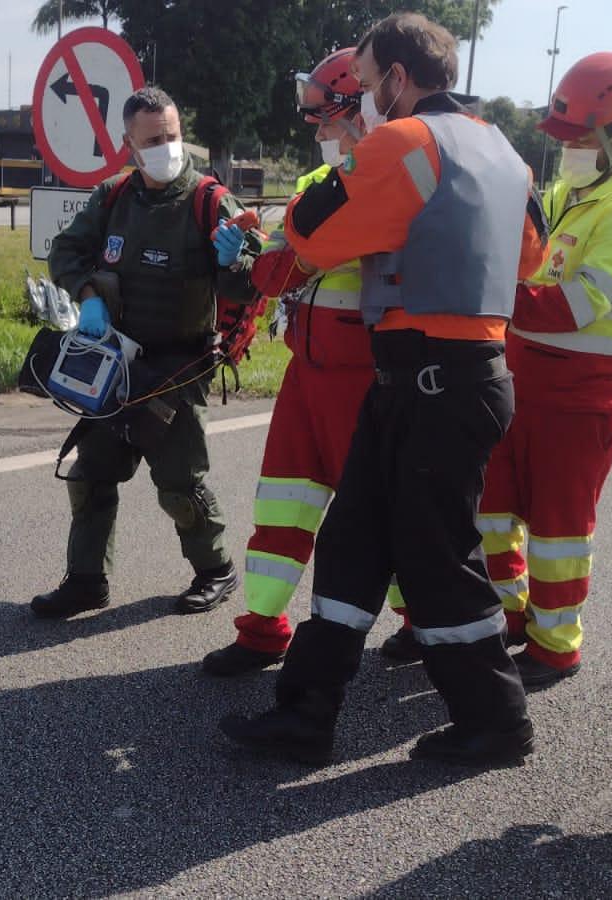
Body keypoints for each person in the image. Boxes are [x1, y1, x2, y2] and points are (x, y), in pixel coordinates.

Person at [219, 13, 542, 767]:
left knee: (438, 557)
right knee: (354, 538)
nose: (362, 99)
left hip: (434, 380)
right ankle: (306, 710)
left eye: (364, 84)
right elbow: (530, 257)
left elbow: (308, 231)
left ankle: (497, 720)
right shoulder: (503, 151)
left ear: (397, 77)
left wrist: (360, 163)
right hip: (449, 379)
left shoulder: (400, 143)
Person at [201, 49, 409, 676]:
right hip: (309, 374)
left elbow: (284, 265)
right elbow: (282, 257)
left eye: (326, 119)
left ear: (361, 111)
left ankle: (421, 622)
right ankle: (263, 627)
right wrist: (255, 243)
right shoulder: (317, 185)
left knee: (378, 517)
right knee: (281, 505)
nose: (317, 133)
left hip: (364, 381)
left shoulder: (384, 184)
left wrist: (255, 260)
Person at [474, 52, 612, 689]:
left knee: (559, 530)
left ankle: (555, 645)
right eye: (563, 140)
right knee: (492, 510)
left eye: (582, 140)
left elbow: (573, 307)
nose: (570, 151)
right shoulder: (567, 194)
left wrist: (481, 289)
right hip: (522, 382)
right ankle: (510, 618)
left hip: (583, 399)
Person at [34, 87, 261, 620]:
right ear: (129, 144)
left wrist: (235, 263)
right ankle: (86, 581)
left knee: (179, 483)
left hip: (176, 369)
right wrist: (87, 295)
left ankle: (215, 570)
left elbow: (250, 286)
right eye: (153, 139)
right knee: (92, 474)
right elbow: (66, 251)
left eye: (173, 136)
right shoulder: (113, 197)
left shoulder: (210, 201)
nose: (166, 146)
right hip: (114, 366)